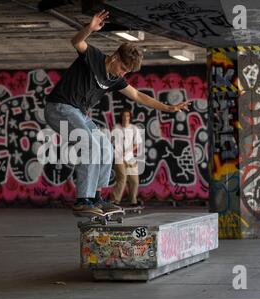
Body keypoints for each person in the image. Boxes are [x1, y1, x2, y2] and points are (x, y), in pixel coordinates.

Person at [44, 10, 189, 216]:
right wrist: (90, 29)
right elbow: (76, 42)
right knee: (91, 145)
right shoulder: (93, 57)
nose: (122, 74)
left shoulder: (116, 80)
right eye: (121, 68)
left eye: (126, 72)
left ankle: (96, 197)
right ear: (114, 58)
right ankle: (82, 200)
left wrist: (167, 108)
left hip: (79, 114)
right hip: (59, 108)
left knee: (105, 147)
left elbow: (138, 95)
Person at [111, 108, 143, 208]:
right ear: (121, 117)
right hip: (119, 158)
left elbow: (136, 144)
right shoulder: (117, 127)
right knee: (122, 178)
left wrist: (127, 151)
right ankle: (115, 201)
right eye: (124, 116)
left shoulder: (134, 128)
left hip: (130, 158)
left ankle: (133, 201)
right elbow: (111, 142)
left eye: (127, 116)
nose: (125, 118)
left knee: (134, 180)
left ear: (130, 117)